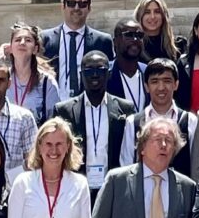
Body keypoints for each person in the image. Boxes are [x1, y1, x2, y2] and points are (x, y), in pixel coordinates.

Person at [55, 49, 139, 191]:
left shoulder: (125, 108)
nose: (94, 75)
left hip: (113, 187)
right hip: (75, 186)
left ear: (109, 73)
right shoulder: (64, 110)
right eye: (89, 70)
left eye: (100, 70)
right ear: (81, 75)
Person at [39, 0, 114, 95]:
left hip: (86, 103)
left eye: (82, 4)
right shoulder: (45, 38)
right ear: (63, 7)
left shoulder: (103, 41)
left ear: (89, 8)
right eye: (71, 3)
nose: (76, 8)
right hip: (53, 102)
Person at [136, 57, 196, 170]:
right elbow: (127, 165)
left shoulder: (190, 121)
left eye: (167, 81)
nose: (161, 87)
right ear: (146, 87)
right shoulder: (133, 122)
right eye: (154, 81)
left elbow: (196, 163)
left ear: (176, 84)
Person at [2, 21, 63, 119]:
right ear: (11, 48)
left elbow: (54, 120)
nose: (22, 43)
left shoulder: (47, 82)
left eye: (28, 40)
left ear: (35, 49)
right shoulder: (2, 78)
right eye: (18, 40)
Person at [132, 0, 184, 77]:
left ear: (164, 15)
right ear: (140, 16)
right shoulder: (133, 46)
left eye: (157, 12)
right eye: (147, 12)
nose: (152, 17)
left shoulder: (178, 45)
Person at [108, 21, 152, 109]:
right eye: (129, 35)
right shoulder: (106, 74)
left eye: (139, 35)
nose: (135, 40)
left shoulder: (149, 71)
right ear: (115, 41)